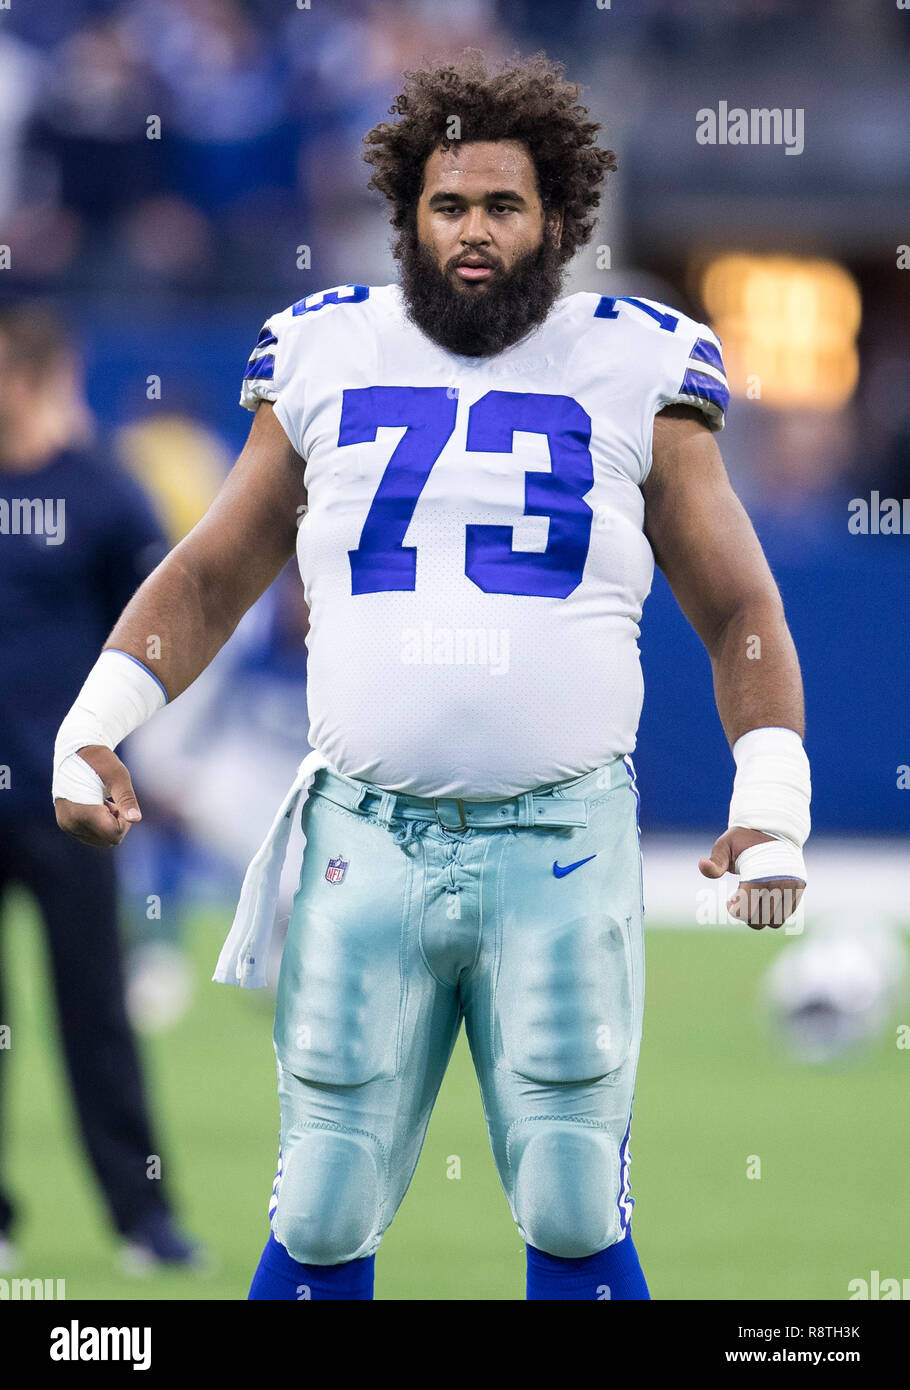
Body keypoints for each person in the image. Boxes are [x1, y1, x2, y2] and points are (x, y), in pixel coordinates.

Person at [52, 53, 810, 1301]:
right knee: (322, 1200)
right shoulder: (323, 347)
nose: (472, 232)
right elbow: (211, 572)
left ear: (557, 218)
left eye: (502, 207)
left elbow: (734, 601)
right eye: (448, 204)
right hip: (369, 835)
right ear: (406, 211)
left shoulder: (636, 360)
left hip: (560, 840)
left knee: (572, 1200)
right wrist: (98, 724)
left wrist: (769, 798)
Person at [0, 303, 198, 1272]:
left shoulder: (102, 496)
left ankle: (142, 1220)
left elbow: (162, 629)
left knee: (97, 1013)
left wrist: (141, 762)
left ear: (31, 377)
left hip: (66, 804)